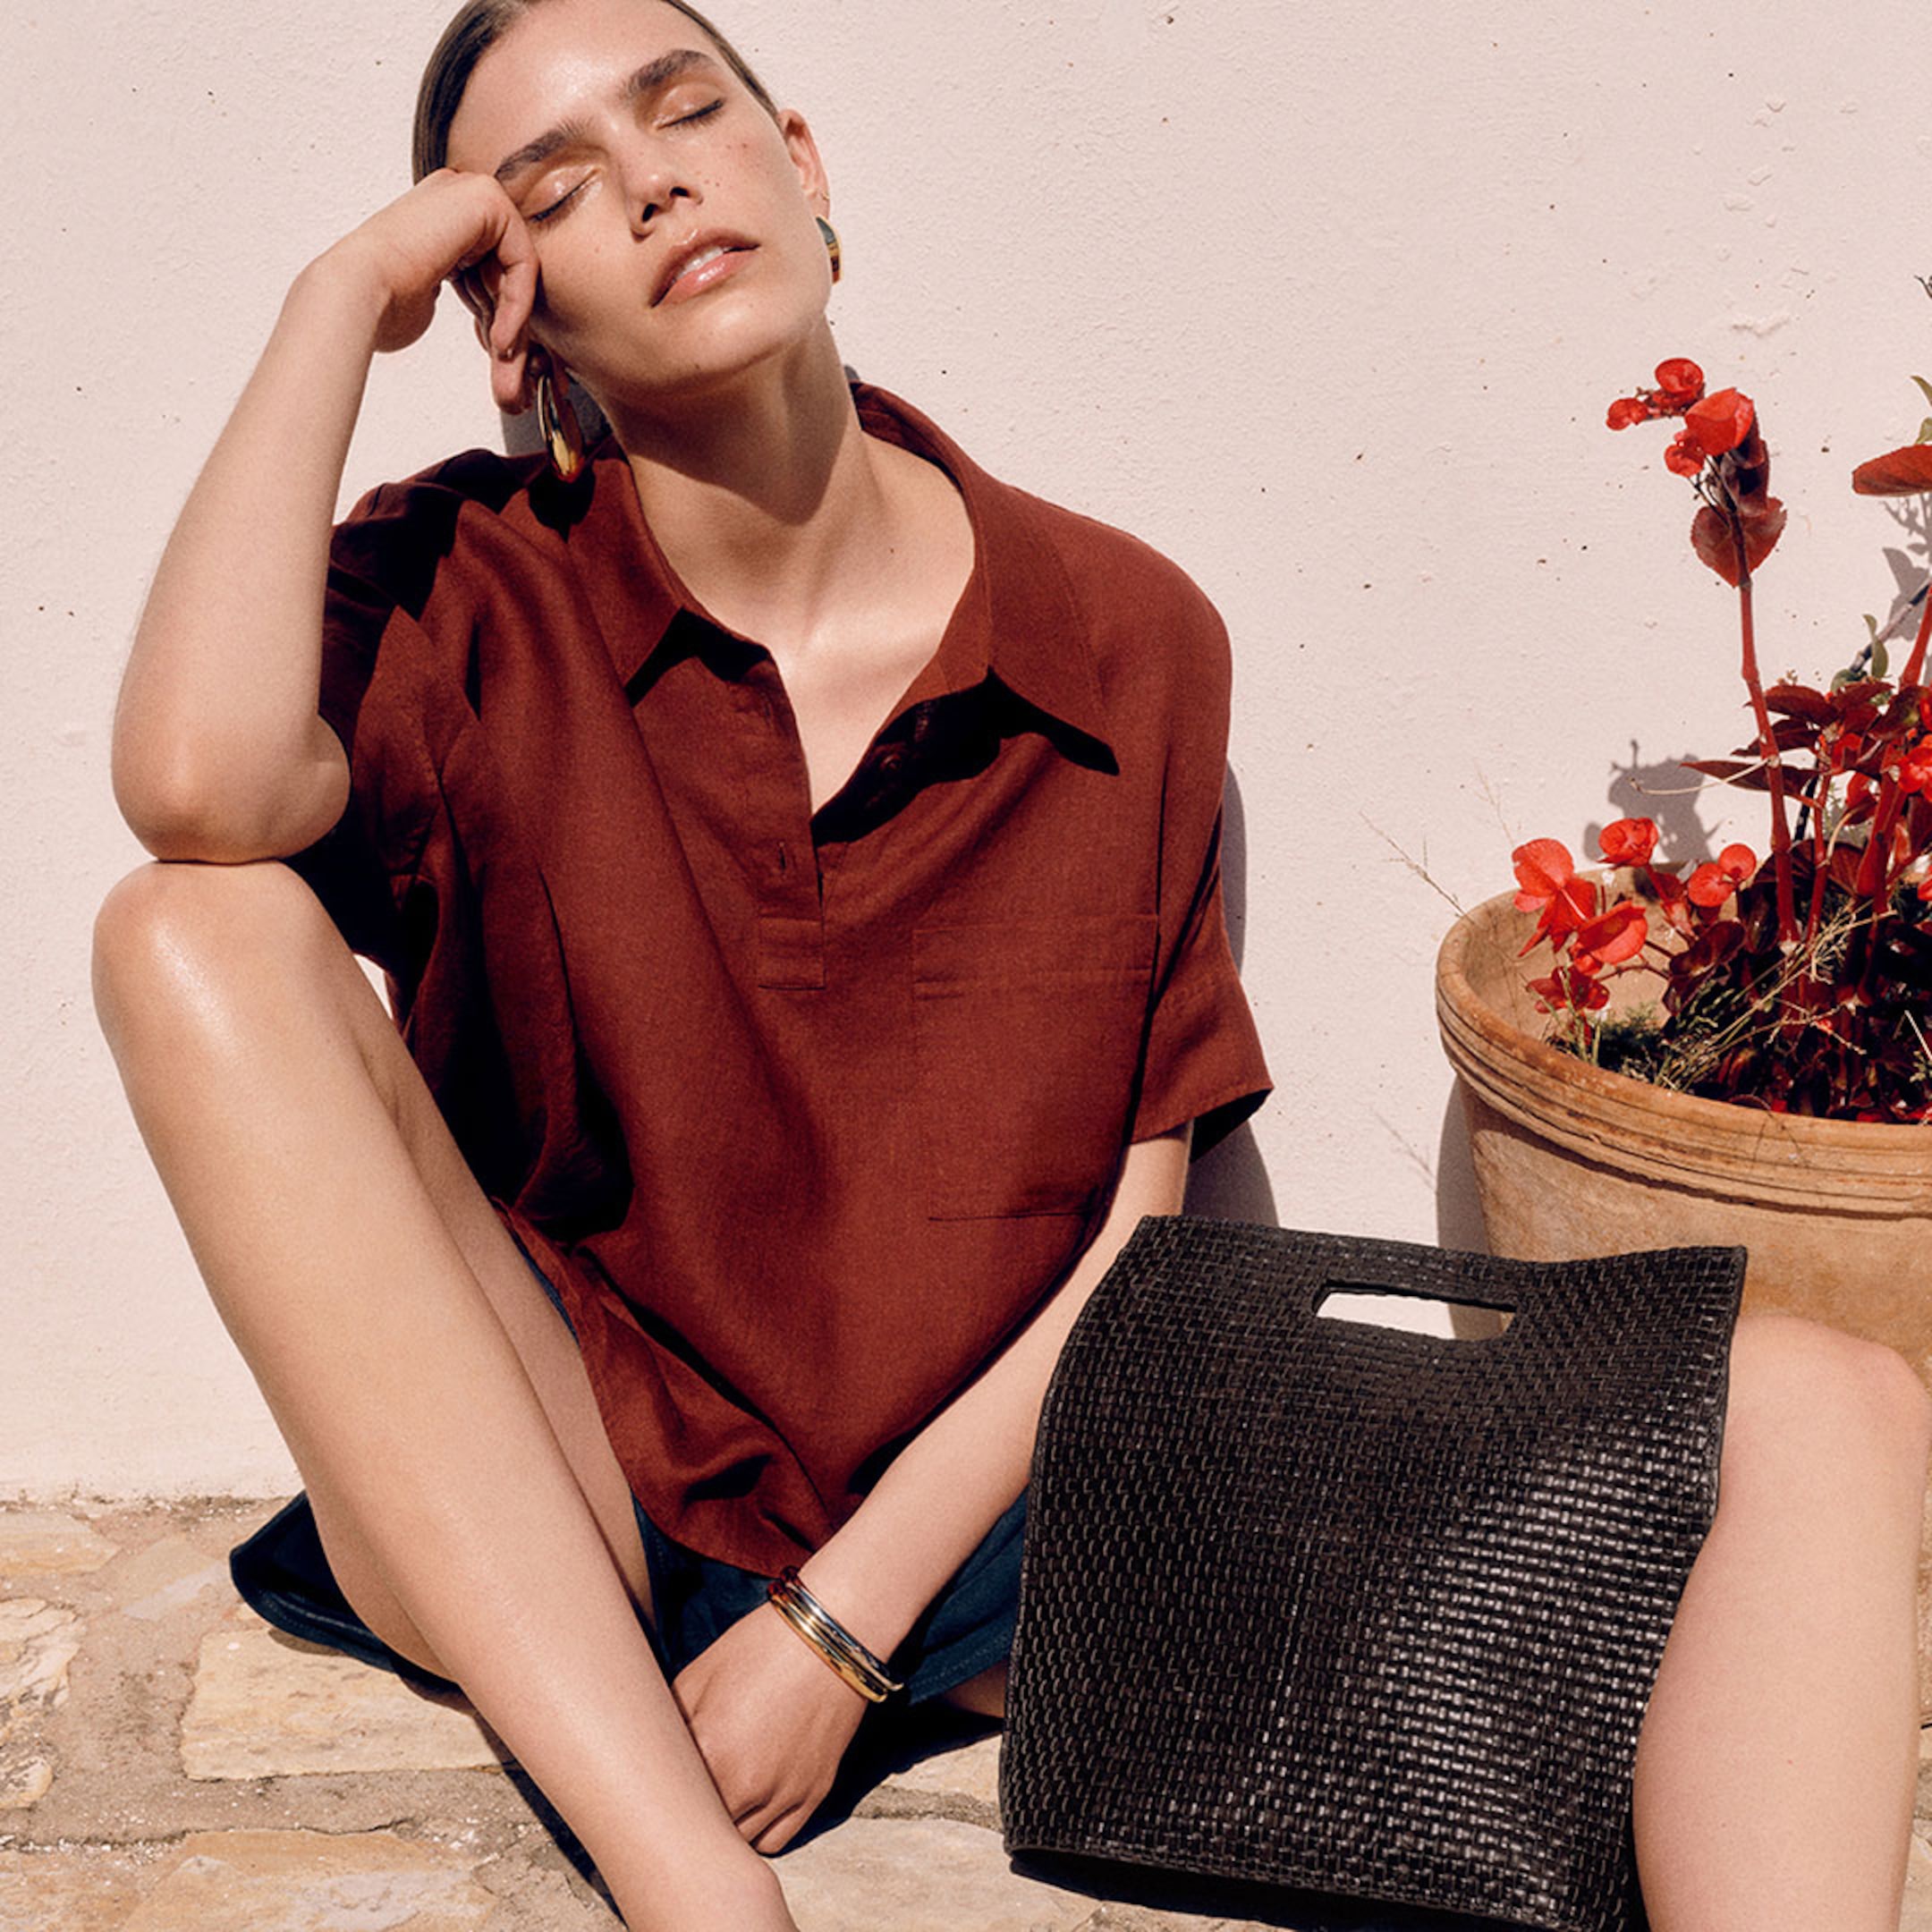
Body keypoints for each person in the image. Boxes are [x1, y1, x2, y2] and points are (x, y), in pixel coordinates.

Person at [89, 2, 1932, 1928]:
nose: (647, 181)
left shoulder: (1118, 629)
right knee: (186, 923)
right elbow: (194, 787)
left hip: (1026, 1509)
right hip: (575, 1499)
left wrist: (842, 1629)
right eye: (548, 188)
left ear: (802, 166)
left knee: (1832, 1408)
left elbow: (1146, 1235)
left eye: (681, 111)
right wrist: (340, 294)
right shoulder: (465, 588)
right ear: (511, 313)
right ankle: (690, 1891)